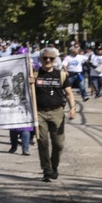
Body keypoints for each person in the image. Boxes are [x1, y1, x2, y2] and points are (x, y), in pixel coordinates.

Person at [32, 46, 78, 182]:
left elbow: (69, 94)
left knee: (58, 144)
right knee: (43, 142)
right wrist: (29, 82)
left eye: (51, 58)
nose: (47, 60)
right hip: (39, 113)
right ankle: (47, 170)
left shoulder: (61, 75)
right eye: (45, 58)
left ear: (55, 60)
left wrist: (73, 108)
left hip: (57, 112)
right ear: (40, 59)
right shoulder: (34, 74)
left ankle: (54, 166)